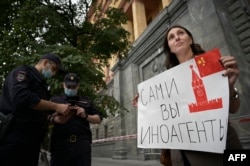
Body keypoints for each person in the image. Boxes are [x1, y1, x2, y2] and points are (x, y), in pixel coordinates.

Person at [132, 25, 242, 166]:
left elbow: (233, 108)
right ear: (170, 48)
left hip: (224, 147)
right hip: (185, 154)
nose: (177, 37)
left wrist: (230, 88)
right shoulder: (166, 81)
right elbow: (165, 115)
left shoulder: (210, 64)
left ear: (190, 39)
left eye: (181, 33)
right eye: (171, 37)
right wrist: (145, 106)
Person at [0, 53, 70, 166]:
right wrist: (56, 106)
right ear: (46, 63)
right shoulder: (23, 72)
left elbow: (35, 114)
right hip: (14, 139)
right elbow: (22, 99)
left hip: (31, 142)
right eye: (54, 69)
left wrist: (54, 120)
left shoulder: (41, 84)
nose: (54, 73)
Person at [49, 72, 102, 166]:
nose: (70, 89)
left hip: (81, 145)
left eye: (73, 87)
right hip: (60, 144)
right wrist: (57, 118)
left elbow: (98, 119)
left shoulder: (86, 101)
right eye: (68, 87)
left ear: (78, 86)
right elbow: (44, 118)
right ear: (63, 85)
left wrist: (85, 115)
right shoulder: (55, 100)